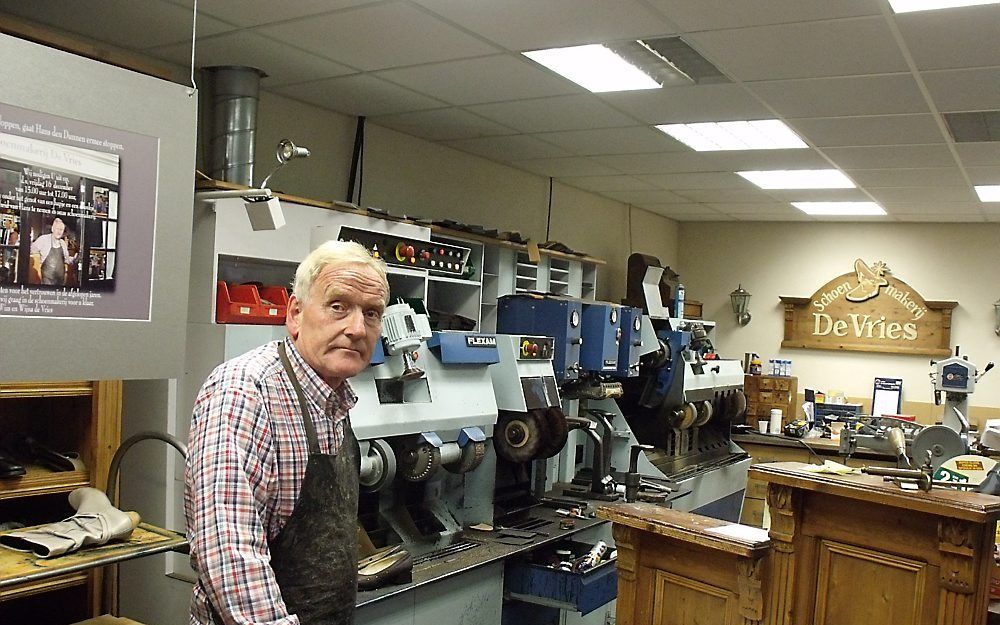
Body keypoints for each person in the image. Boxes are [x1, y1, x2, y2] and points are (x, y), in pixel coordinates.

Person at [185, 240, 389, 625]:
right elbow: (229, 553)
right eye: (338, 306)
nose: (357, 328)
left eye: (372, 313)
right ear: (295, 313)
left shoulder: (335, 398)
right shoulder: (245, 390)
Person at [29, 217, 76, 285]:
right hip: (47, 281)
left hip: (61, 281)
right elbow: (30, 250)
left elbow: (66, 259)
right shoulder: (43, 239)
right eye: (57, 229)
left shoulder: (63, 243)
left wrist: (73, 259)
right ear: (52, 229)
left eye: (61, 229)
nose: (59, 231)